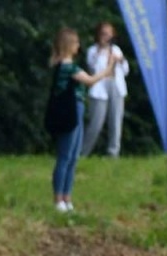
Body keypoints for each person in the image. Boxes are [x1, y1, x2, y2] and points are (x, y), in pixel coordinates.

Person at [46, 27, 115, 213]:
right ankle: (58, 197)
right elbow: (90, 80)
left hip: (77, 109)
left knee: (73, 156)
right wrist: (108, 70)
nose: (79, 46)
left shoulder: (66, 66)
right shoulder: (68, 68)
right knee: (65, 155)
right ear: (68, 45)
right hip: (70, 112)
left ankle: (67, 197)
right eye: (76, 42)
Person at [80, 22, 128, 159]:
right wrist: (101, 53)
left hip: (116, 86)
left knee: (116, 121)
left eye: (108, 34)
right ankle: (83, 153)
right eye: (103, 34)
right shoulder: (93, 51)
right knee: (96, 123)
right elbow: (92, 68)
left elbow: (126, 71)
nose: (105, 37)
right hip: (99, 87)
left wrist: (120, 60)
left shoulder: (117, 50)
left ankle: (113, 153)